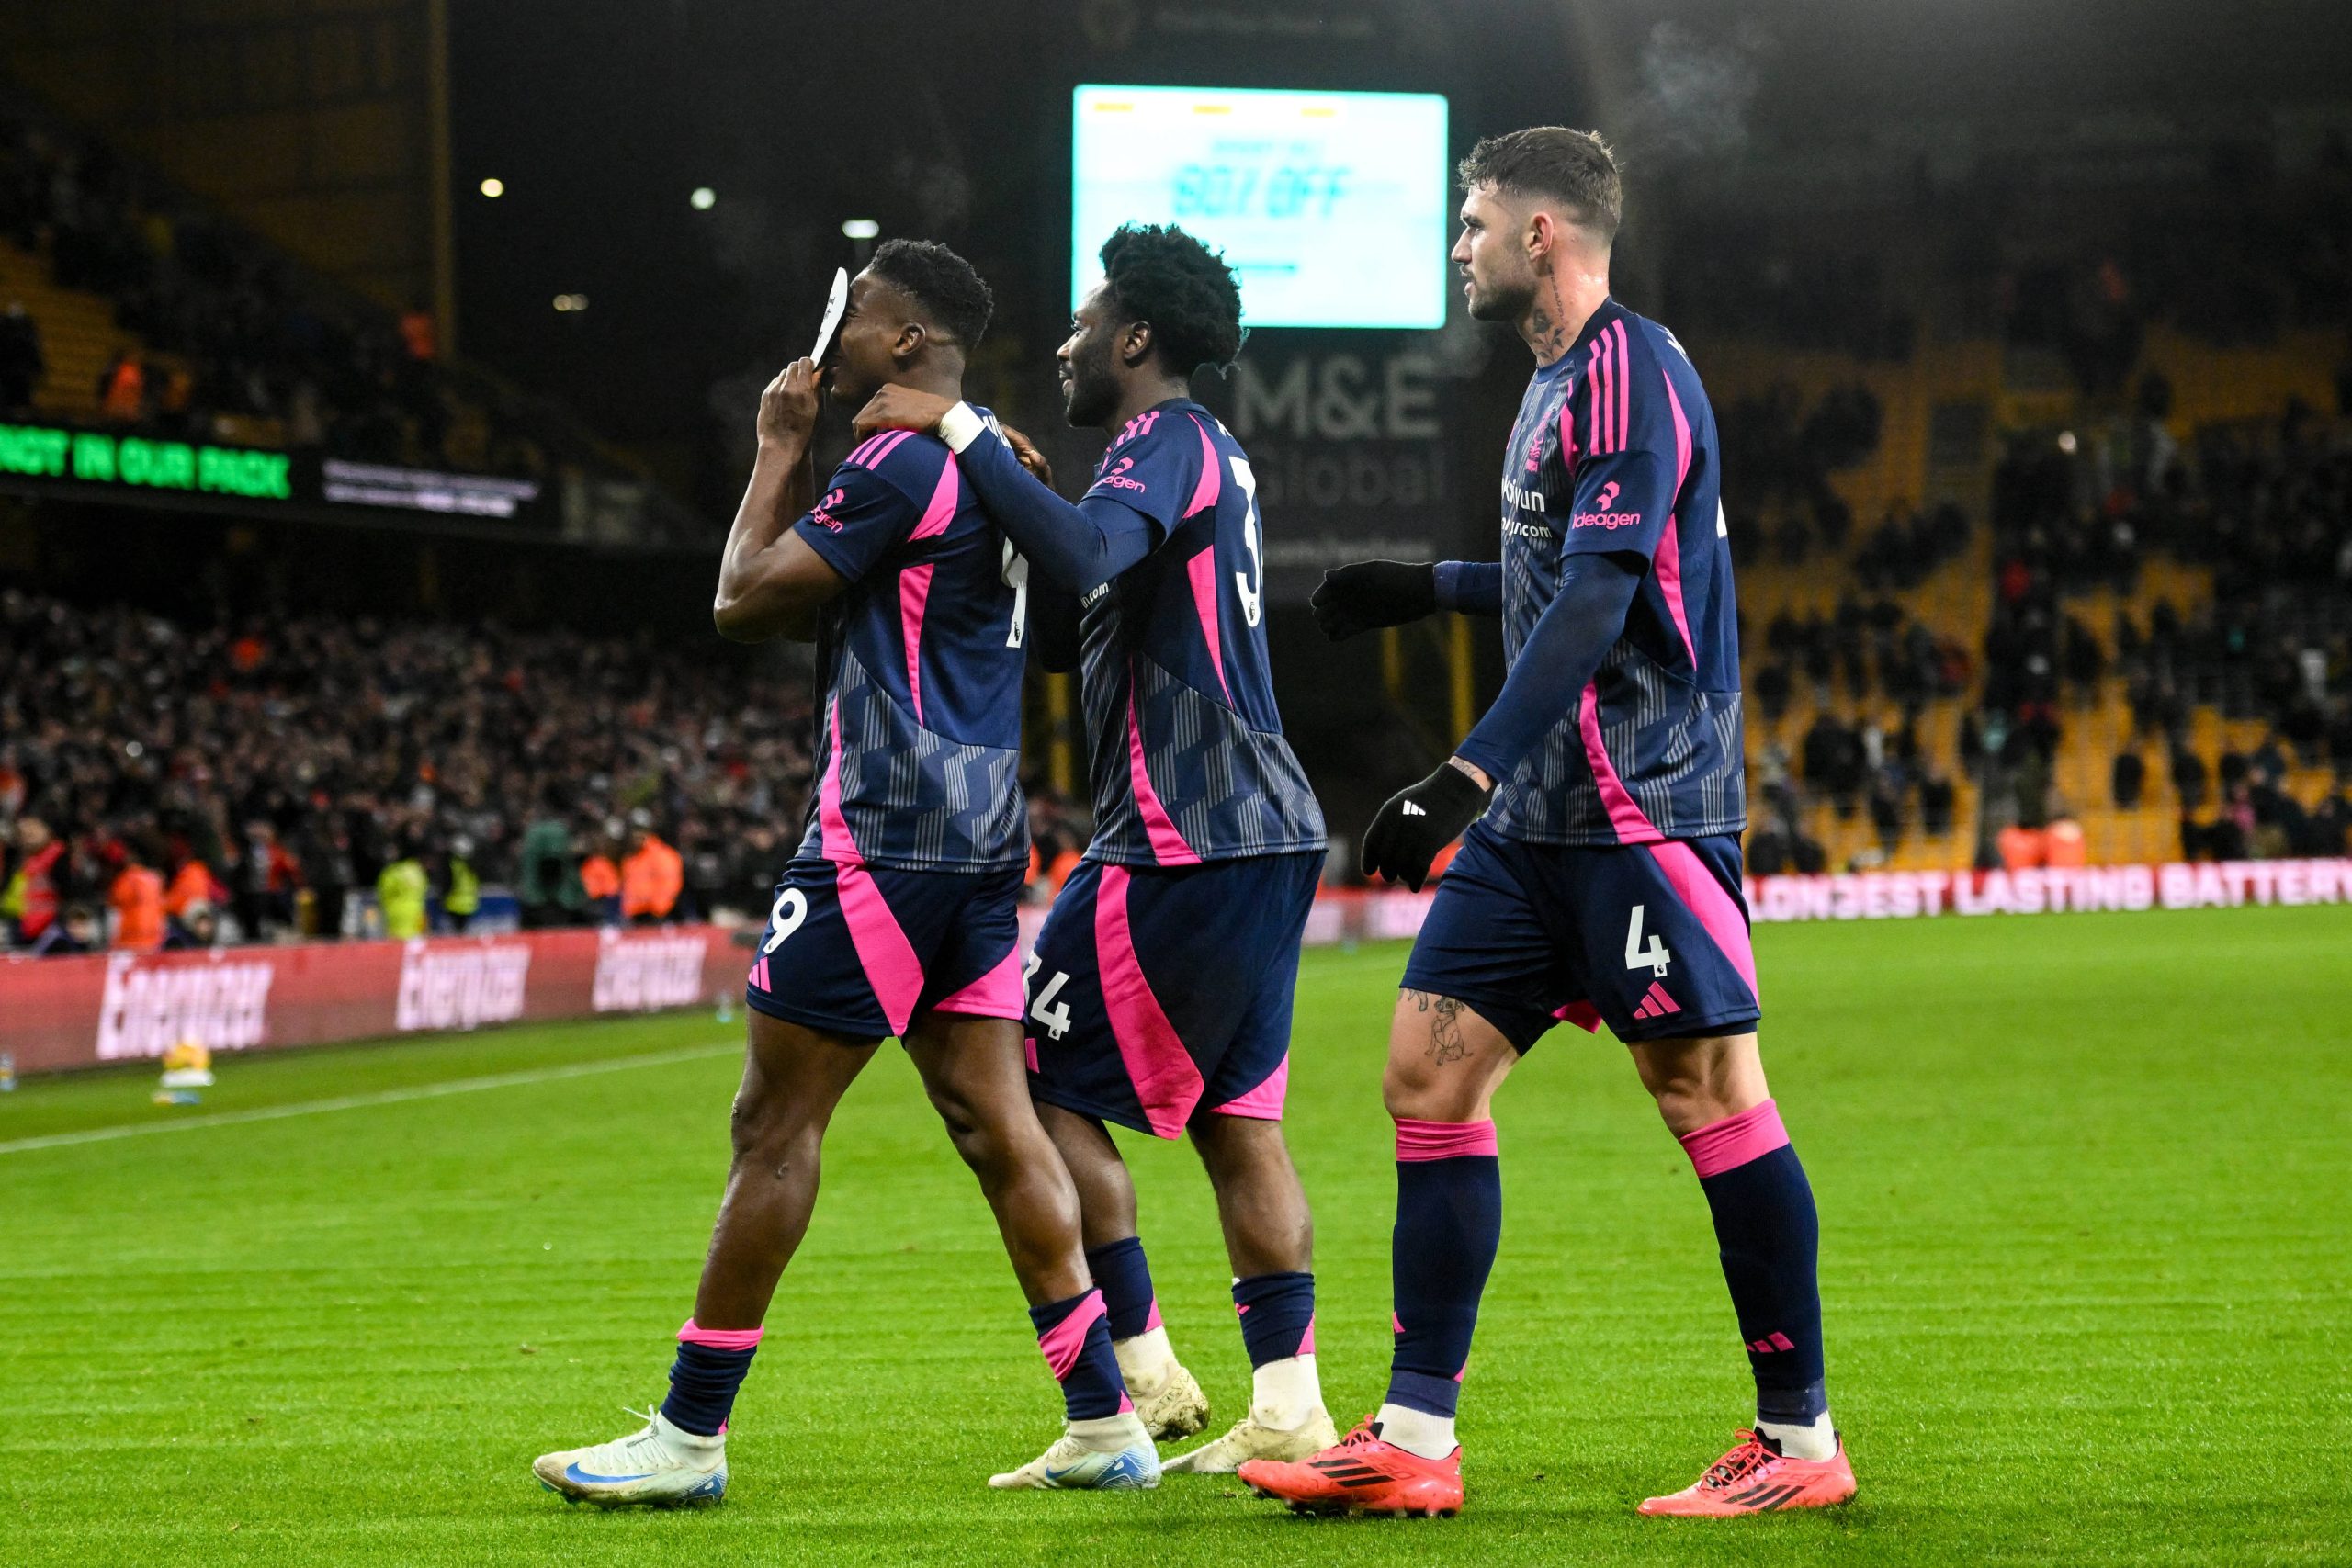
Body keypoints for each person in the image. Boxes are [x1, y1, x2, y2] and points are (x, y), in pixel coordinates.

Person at [1243, 128, 1853, 1519]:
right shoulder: (1549, 385)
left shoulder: (1637, 367)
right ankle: (1412, 1435)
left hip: (1643, 802)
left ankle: (1801, 1440)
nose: (1457, 245)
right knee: (1425, 1072)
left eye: (1471, 222)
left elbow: (1598, 602)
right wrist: (1433, 582)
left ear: (1540, 234)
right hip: (1543, 819)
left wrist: (1460, 775)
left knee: (1707, 1090)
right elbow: (1552, 567)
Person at [535, 240, 1151, 1507]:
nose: (829, 343)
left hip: (881, 832)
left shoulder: (898, 459)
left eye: (853, 320)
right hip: (981, 839)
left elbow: (742, 597)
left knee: (773, 1124)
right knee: (995, 1120)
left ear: (910, 343)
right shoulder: (994, 464)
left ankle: (689, 1436)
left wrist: (775, 447)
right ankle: (1103, 1416)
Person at [852, 222, 1337, 1475]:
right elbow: (1081, 601)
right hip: (1258, 826)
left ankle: (1143, 1369)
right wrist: (1024, 489)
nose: (1065, 342)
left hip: (1180, 833)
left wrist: (958, 428)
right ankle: (1288, 1401)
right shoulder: (1198, 455)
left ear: (1133, 338)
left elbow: (1083, 553)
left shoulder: (1162, 438)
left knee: (1030, 1079)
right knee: (1240, 1119)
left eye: (1082, 321)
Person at [619, 813, 683, 925]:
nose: (636, 835)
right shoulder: (630, 858)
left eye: (641, 830)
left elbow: (670, 885)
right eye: (634, 830)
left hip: (655, 917)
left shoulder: (662, 855)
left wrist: (658, 910)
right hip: (634, 917)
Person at [375, 841, 428, 941]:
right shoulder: (416, 870)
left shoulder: (391, 872)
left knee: (396, 950)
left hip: (396, 916)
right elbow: (424, 889)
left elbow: (383, 893)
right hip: (417, 914)